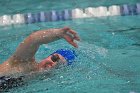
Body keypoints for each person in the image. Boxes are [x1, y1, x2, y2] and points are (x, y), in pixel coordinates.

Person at [0, 27, 80, 91]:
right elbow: (33, 40)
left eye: (59, 66)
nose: (53, 64)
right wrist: (58, 34)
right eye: (55, 58)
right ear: (49, 55)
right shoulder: (25, 63)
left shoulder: (34, 82)